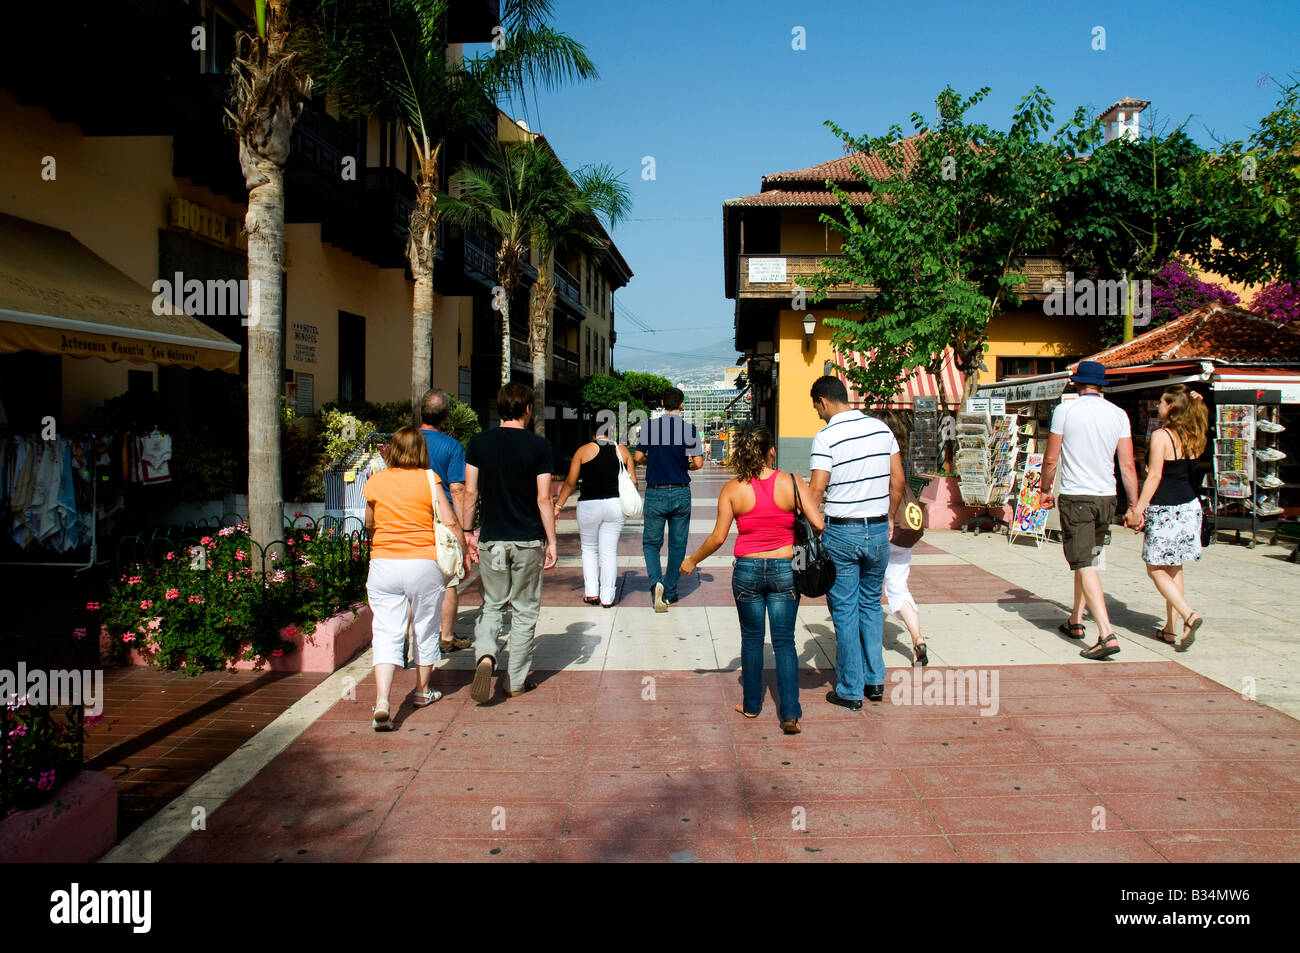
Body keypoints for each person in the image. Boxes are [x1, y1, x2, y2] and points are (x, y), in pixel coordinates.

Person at [681, 428, 820, 734]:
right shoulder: (792, 482)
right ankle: (790, 713)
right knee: (785, 642)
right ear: (771, 450)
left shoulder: (732, 488)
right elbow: (818, 523)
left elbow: (719, 538)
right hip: (786, 567)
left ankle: (752, 705)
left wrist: (692, 560)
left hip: (747, 570)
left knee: (752, 640)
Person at [807, 376, 904, 708]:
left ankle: (850, 688)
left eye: (817, 408)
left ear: (823, 401)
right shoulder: (882, 430)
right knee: (871, 605)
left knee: (845, 610)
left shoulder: (826, 437)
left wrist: (815, 526)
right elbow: (899, 480)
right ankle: (875, 680)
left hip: (842, 532)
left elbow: (817, 490)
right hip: (878, 531)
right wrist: (889, 517)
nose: (819, 414)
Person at [362, 426, 467, 730]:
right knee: (425, 626)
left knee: (385, 631)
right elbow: (449, 520)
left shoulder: (376, 481)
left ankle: (382, 701)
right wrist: (463, 552)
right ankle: (421, 692)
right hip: (423, 563)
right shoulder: (429, 478)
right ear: (420, 450)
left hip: (384, 563)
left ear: (392, 450)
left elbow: (369, 523)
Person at [464, 382, 558, 702]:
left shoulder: (478, 443)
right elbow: (544, 498)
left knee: (492, 604)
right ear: (528, 409)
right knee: (524, 611)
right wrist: (552, 541)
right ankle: (514, 681)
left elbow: (470, 492)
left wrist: (467, 532)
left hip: (493, 540)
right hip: (528, 540)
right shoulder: (539, 447)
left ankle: (487, 655)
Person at [1040, 360, 1139, 660]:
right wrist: (1133, 504)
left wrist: (1045, 489)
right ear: (1100, 385)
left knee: (1084, 562)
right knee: (1091, 559)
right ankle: (1075, 619)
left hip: (1076, 496)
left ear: (1077, 383)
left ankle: (1106, 633)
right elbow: (1127, 465)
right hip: (1106, 497)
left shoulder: (1065, 411)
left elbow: (1051, 458)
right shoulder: (1118, 414)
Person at [1125, 384, 1207, 651]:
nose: (1158, 406)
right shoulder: (1194, 433)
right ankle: (1171, 630)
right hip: (1189, 506)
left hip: (1166, 508)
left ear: (1171, 406)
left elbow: (1155, 475)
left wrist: (1139, 509)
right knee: (1175, 567)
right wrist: (1199, 402)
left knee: (1156, 568)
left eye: (1161, 402)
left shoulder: (1163, 435)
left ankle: (1188, 614)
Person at [635, 387, 704, 612]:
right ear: (682, 405)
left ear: (663, 402)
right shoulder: (690, 429)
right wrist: (686, 465)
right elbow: (699, 463)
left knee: (651, 543)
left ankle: (656, 581)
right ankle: (670, 590)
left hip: (655, 492)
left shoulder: (650, 427)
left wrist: (651, 462)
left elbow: (638, 457)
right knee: (677, 544)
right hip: (681, 492)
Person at [554, 425, 635, 607]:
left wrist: (558, 505)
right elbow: (633, 482)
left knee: (589, 549)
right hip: (615, 505)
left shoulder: (583, 451)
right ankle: (607, 598)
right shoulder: (622, 451)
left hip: (589, 505)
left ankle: (591, 593)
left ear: (593, 432)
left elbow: (570, 482)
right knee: (609, 552)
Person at [419, 387, 473, 654]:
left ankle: (410, 639)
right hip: (443, 519)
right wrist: (465, 530)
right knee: (449, 579)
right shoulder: (451, 446)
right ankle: (446, 636)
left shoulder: (404, 441)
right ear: (446, 416)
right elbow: (457, 489)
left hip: (411, 516)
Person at [875, 410, 928, 666]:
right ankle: (917, 637)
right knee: (897, 586)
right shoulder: (901, 452)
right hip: (905, 532)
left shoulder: (876, 453)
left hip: (883, 527)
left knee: (869, 589)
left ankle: (866, 649)